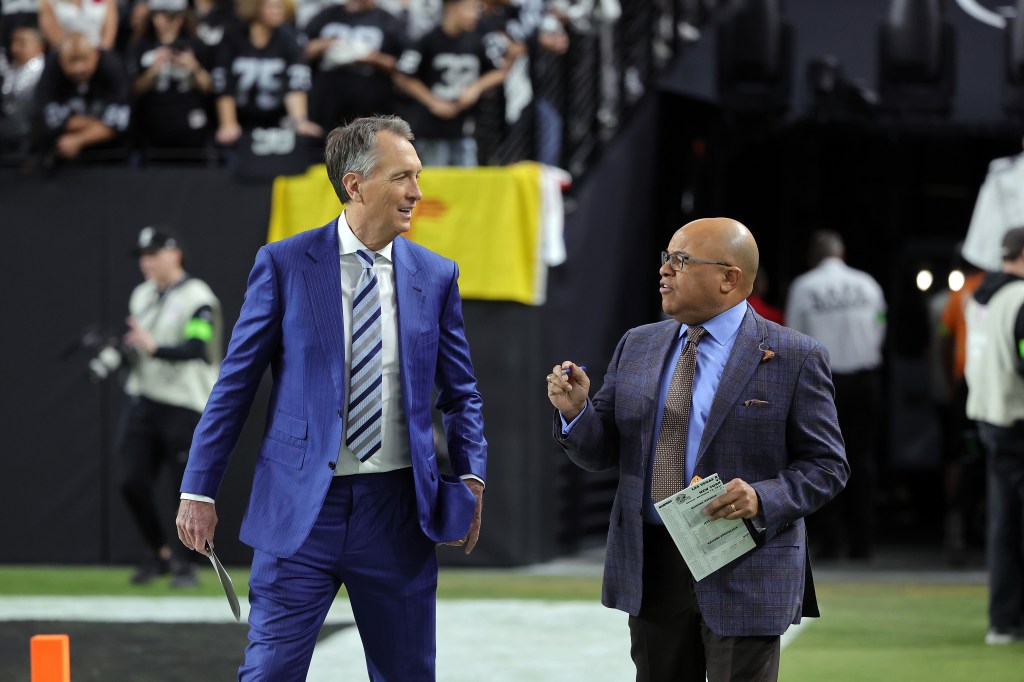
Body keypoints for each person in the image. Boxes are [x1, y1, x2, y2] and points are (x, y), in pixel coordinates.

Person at [175, 114, 487, 680]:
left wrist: (471, 476)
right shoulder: (284, 264)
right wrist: (198, 489)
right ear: (355, 184)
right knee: (269, 673)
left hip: (398, 513)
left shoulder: (437, 276)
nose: (418, 192)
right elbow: (233, 389)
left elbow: (461, 393)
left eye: (417, 176)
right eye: (402, 178)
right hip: (300, 510)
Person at [546, 217, 848, 682]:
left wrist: (763, 498)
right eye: (666, 258)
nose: (665, 270)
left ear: (730, 279)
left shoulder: (796, 355)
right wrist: (576, 413)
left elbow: (827, 466)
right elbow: (601, 451)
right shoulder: (638, 345)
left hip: (745, 560)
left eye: (681, 260)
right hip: (653, 564)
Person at [119, 225, 222, 587]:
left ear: (174, 253)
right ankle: (160, 553)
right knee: (131, 481)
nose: (146, 262)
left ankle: (186, 564)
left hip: (185, 403)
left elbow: (198, 346)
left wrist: (153, 348)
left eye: (153, 254)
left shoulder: (198, 296)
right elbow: (140, 345)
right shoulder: (141, 295)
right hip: (144, 399)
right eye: (143, 256)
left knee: (184, 490)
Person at [785, 229, 886, 560]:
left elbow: (793, 338)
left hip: (823, 382)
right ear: (841, 254)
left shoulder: (804, 286)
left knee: (819, 460)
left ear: (813, 257)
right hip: (865, 379)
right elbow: (880, 325)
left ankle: (829, 541)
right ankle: (863, 542)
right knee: (863, 460)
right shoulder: (868, 284)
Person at [964, 226, 1024, 646]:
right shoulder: (1020, 299)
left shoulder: (978, 297)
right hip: (1018, 420)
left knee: (1004, 524)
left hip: (989, 417)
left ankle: (1003, 620)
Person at [393, 0, 506, 167]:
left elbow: (500, 71)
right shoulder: (428, 39)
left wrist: (476, 87)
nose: (476, 14)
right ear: (452, 8)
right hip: (431, 128)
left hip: (465, 127)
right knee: (435, 183)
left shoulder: (478, 40)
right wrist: (432, 101)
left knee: (465, 182)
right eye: (471, 8)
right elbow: (402, 76)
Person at [211, 0, 320, 147]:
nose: (278, 11)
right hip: (241, 119)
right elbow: (223, 82)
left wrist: (299, 121)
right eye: (272, 6)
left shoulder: (289, 38)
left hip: (277, 120)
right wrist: (228, 123)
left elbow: (296, 82)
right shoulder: (232, 37)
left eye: (280, 6)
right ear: (254, 7)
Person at [302, 0, 406, 132]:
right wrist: (326, 44)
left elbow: (401, 65)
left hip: (370, 106)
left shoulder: (387, 20)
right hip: (326, 104)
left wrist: (371, 57)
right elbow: (301, 52)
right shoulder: (326, 15)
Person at [126, 0, 214, 155]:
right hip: (152, 124)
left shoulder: (197, 45)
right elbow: (132, 90)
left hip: (190, 124)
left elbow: (210, 88)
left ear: (182, 18)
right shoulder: (140, 45)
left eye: (174, 16)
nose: (168, 21)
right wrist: (153, 70)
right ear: (152, 17)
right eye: (162, 15)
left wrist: (194, 68)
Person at [32, 32, 130, 161]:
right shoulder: (52, 68)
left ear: (96, 55)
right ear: (61, 59)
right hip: (62, 155)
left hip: (111, 156)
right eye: (71, 61)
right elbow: (50, 119)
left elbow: (120, 122)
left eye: (83, 59)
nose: (78, 68)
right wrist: (100, 124)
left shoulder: (112, 65)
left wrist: (79, 140)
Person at [0, 24, 45, 158]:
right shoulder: (14, 69)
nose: (14, 49)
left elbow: (13, 95)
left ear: (39, 46)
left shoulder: (39, 67)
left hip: (30, 139)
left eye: (22, 43)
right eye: (13, 42)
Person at [38, 0, 117, 49]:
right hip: (63, 55)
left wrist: (100, 55)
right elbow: (54, 36)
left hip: (100, 52)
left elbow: (109, 31)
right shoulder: (47, 1)